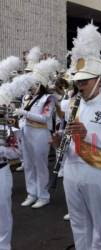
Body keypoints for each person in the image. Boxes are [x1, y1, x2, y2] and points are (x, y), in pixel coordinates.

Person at [53, 23, 101, 250]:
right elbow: (69, 137)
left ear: (99, 80)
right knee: (78, 223)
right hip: (72, 171)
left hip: (98, 172)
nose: (79, 85)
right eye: (78, 81)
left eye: (84, 81)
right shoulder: (72, 103)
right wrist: (58, 144)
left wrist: (88, 136)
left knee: (100, 227)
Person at [16, 58, 59, 209]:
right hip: (26, 132)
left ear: (40, 84)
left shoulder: (48, 99)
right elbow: (22, 116)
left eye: (33, 83)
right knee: (28, 165)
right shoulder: (27, 97)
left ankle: (43, 195)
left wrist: (24, 113)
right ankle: (31, 194)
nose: (30, 87)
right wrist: (21, 121)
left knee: (40, 165)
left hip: (40, 134)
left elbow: (44, 118)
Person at [0, 111, 21, 250]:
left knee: (3, 212)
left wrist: (1, 150)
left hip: (1, 172)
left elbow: (17, 152)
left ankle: (4, 246)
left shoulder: (5, 127)